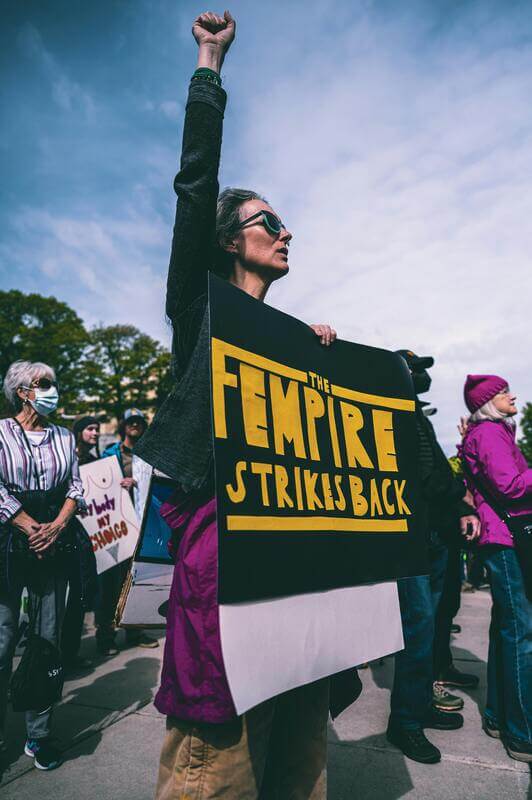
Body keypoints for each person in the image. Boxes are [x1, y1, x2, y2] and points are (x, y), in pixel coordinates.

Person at [135, 11, 340, 799]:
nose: (287, 232)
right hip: (220, 558)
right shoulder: (200, 307)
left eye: (286, 223)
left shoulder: (288, 337)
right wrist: (209, 66)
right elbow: (196, 186)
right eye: (269, 222)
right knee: (219, 750)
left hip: (291, 564)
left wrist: (323, 371)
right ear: (229, 239)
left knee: (298, 742)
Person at [386, 351, 480, 765]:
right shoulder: (392, 413)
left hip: (435, 535)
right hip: (411, 538)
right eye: (413, 368)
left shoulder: (416, 414)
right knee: (418, 629)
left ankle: (419, 705)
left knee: (429, 626)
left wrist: (459, 507)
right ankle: (405, 722)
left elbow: (437, 471)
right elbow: (427, 475)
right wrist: (456, 490)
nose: (420, 376)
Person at [0, 361, 91, 770]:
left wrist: (54, 527)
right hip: (9, 542)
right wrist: (26, 525)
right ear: (23, 391)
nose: (53, 390)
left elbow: (75, 485)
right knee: (2, 643)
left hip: (52, 544)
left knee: (46, 639)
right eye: (45, 384)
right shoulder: (1, 432)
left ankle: (38, 736)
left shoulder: (63, 435)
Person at [461, 374, 532, 763]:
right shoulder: (488, 434)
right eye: (505, 393)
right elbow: (510, 486)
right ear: (489, 401)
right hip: (505, 539)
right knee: (521, 633)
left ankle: (497, 716)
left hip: (502, 537)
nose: (513, 396)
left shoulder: (492, 432)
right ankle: (521, 733)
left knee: (508, 630)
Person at [96, 409, 158, 654]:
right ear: (123, 426)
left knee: (135, 581)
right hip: (116, 528)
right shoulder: (109, 453)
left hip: (141, 526)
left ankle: (134, 632)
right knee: (110, 584)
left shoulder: (149, 455)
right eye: (130, 422)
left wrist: (138, 482)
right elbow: (99, 486)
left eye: (139, 422)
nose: (135, 425)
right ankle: (106, 637)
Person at [60, 416, 101, 671]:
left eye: (98, 429)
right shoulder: (64, 459)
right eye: (90, 428)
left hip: (86, 539)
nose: (95, 433)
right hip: (64, 535)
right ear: (77, 433)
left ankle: (70, 653)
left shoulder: (99, 464)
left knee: (78, 595)